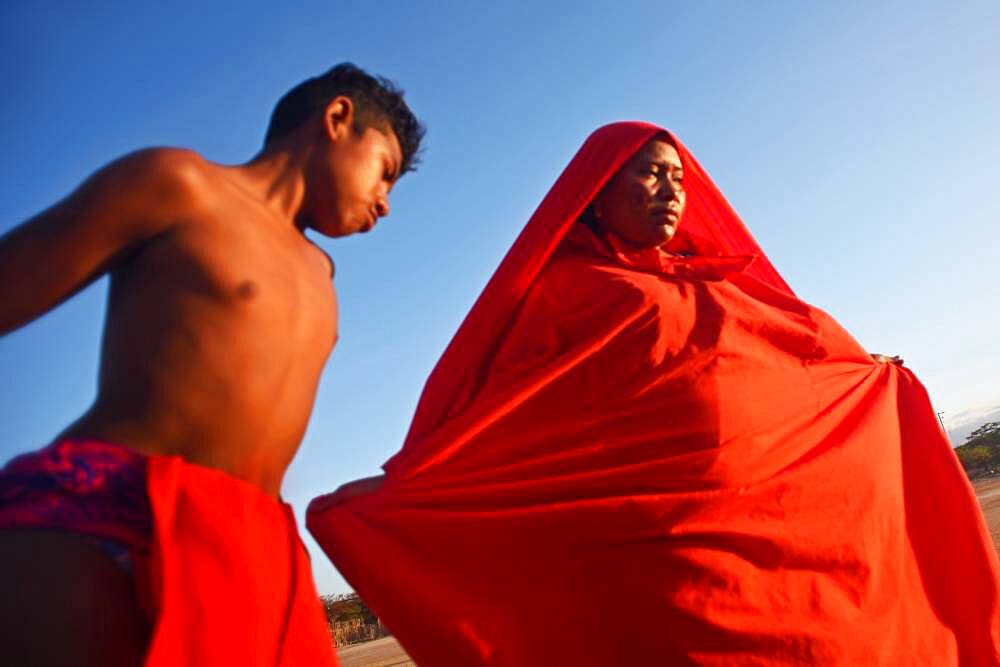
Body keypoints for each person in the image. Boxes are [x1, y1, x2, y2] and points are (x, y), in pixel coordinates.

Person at [307, 122, 999, 665]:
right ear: (600, 189)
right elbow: (513, 428)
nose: (672, 189)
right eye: (650, 173)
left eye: (678, 177)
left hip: (763, 555)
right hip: (658, 567)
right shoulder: (561, 295)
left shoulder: (714, 281)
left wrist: (868, 375)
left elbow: (799, 351)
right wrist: (412, 496)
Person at [0, 62, 424, 666]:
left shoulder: (321, 275)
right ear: (337, 119)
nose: (385, 204)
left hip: (251, 549)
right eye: (385, 172)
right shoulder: (180, 185)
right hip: (110, 513)